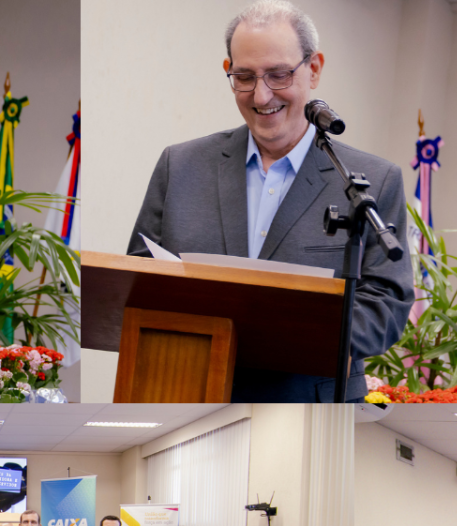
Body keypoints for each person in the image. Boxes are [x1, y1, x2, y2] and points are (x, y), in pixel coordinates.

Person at [127, 0, 413, 401]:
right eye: (244, 77)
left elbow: (386, 302)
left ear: (314, 69)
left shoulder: (373, 181)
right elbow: (138, 281)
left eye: (278, 75)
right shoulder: (180, 166)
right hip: (185, 391)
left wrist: (296, 339)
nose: (261, 96)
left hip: (308, 404)